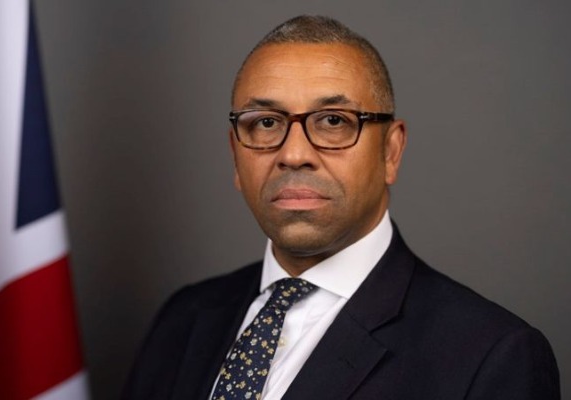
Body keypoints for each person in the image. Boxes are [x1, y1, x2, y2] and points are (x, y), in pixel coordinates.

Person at [123, 15, 560, 400]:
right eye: (266, 123)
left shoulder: (491, 356)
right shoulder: (183, 319)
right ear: (236, 155)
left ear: (391, 151)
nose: (294, 154)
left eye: (333, 121)